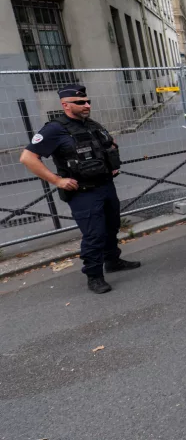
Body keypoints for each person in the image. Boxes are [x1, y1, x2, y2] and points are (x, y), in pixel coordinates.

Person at [20, 84, 138, 294]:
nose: (86, 105)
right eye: (80, 102)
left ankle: (113, 261)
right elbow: (27, 158)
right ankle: (94, 276)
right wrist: (57, 181)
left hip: (105, 186)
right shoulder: (55, 129)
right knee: (94, 234)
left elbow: (107, 146)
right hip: (83, 192)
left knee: (111, 226)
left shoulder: (91, 124)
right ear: (65, 105)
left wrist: (110, 164)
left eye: (87, 101)